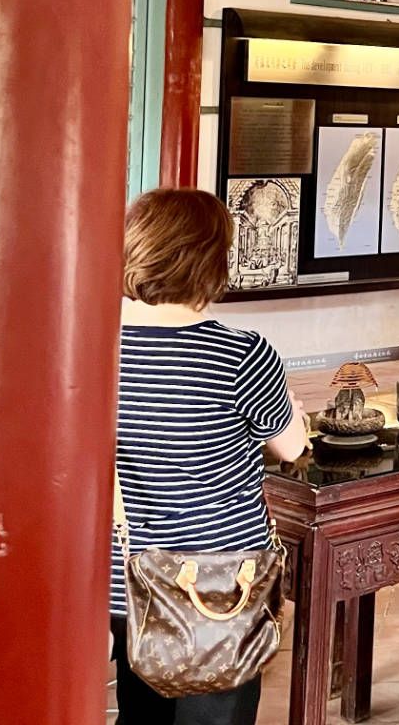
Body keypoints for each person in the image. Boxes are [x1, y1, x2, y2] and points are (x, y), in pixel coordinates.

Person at [111, 189, 308, 725]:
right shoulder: (243, 353)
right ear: (211, 261)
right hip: (221, 582)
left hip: (129, 578)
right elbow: (290, 444)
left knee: (141, 712)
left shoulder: (95, 348)